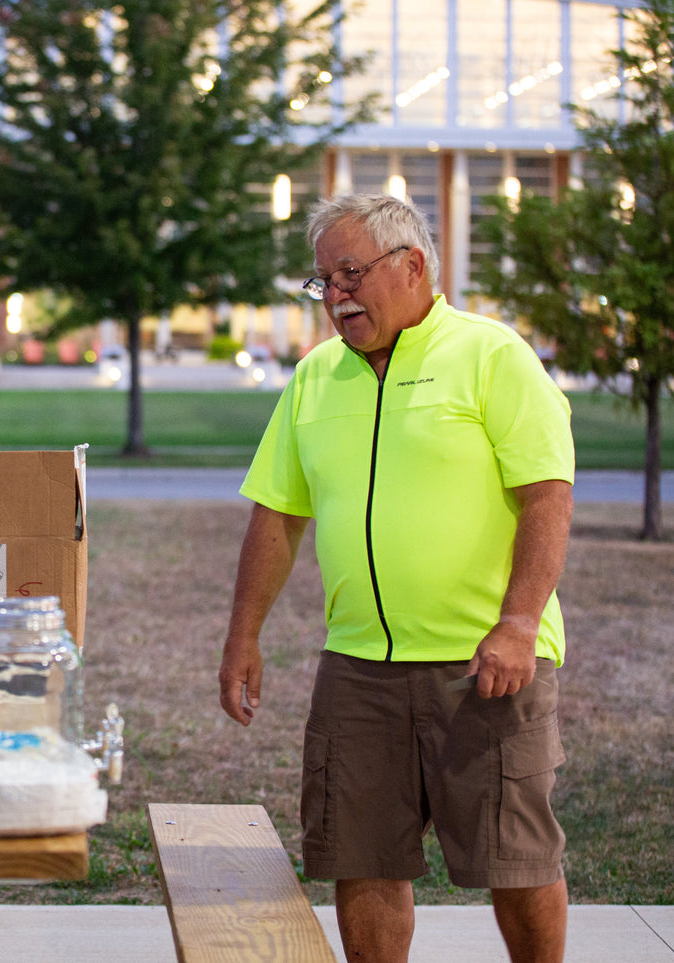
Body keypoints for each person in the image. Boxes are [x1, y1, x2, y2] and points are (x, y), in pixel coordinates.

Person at [218, 193, 574, 963]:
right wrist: (242, 636)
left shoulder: (490, 356)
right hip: (358, 667)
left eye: (349, 273)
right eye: (322, 282)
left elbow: (546, 495)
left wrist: (516, 625)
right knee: (361, 856)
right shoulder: (315, 379)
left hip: (485, 663)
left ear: (411, 266)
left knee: (514, 859)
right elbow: (276, 515)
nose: (335, 295)